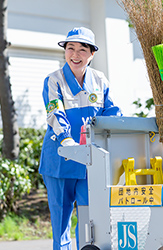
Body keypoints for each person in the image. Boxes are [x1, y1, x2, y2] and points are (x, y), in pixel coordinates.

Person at [39, 27, 122, 250]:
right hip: (60, 160)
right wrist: (66, 139)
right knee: (61, 219)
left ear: (92, 54)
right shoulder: (53, 81)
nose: (75, 55)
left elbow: (112, 112)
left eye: (82, 50)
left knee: (90, 220)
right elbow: (55, 113)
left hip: (90, 161)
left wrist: (119, 131)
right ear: (65, 51)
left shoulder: (100, 80)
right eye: (70, 48)